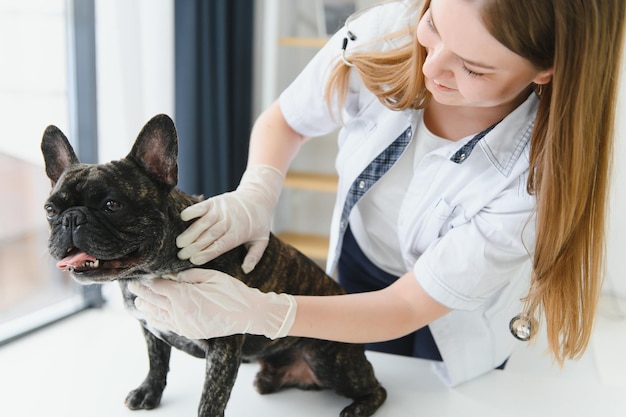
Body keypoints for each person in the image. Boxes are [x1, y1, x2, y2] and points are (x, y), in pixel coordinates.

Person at [128, 0, 626, 386]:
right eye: (434, 24)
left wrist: (266, 312)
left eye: (473, 68)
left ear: (546, 69)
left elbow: (408, 307)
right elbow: (285, 121)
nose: (432, 70)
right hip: (357, 268)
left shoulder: (532, 180)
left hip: (451, 320)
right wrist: (257, 192)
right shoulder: (384, 33)